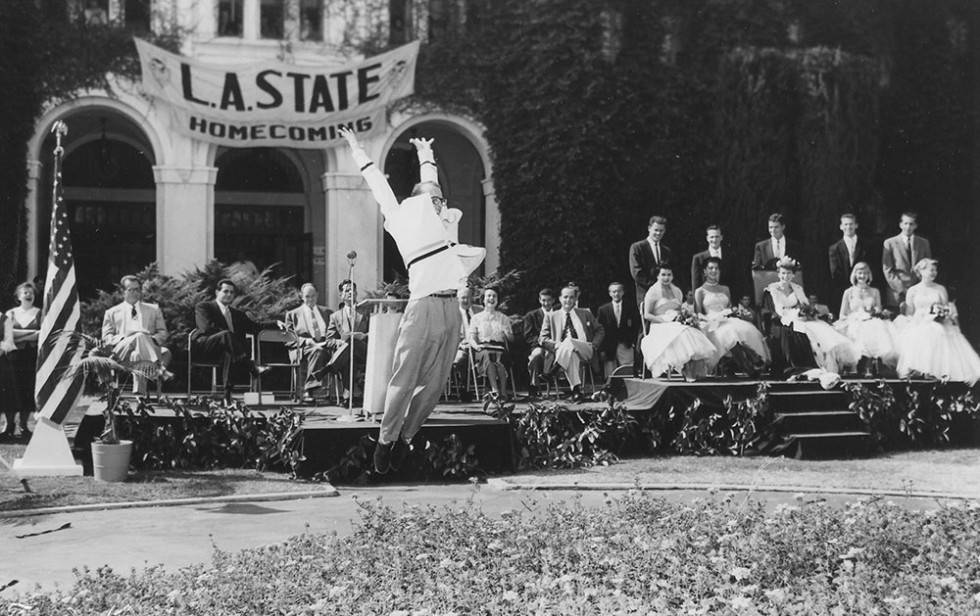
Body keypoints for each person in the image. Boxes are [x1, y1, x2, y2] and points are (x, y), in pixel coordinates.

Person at [340, 126, 485, 475]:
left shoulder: (447, 222)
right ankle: (386, 439)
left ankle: (405, 437)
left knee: (435, 385)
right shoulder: (403, 217)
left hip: (451, 309)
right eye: (431, 199)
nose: (438, 203)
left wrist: (426, 154)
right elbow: (378, 184)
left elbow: (432, 187)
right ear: (418, 202)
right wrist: (357, 148)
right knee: (403, 381)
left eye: (441, 199)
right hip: (421, 307)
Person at [763, 257, 859, 375]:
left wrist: (807, 312)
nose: (785, 276)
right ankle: (811, 364)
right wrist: (791, 317)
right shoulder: (772, 290)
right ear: (778, 274)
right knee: (803, 330)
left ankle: (827, 365)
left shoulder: (797, 288)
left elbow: (805, 305)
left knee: (822, 330)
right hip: (783, 318)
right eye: (783, 273)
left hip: (799, 316)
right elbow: (775, 310)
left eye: (789, 273)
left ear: (793, 275)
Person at [896, 259, 980, 384]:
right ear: (921, 271)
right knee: (920, 333)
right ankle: (919, 369)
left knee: (935, 331)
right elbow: (909, 313)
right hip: (918, 322)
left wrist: (940, 314)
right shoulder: (912, 290)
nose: (934, 273)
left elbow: (946, 308)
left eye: (935, 270)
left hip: (937, 321)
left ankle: (932, 370)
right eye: (931, 270)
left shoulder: (940, 289)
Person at [191, 278, 274, 402]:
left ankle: (227, 395)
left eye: (231, 292)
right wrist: (228, 336)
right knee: (226, 335)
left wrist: (276, 323)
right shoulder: (204, 306)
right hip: (205, 346)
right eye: (225, 291)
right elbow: (206, 328)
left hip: (228, 350)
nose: (229, 295)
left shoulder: (237, 314)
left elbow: (256, 327)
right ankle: (251, 367)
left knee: (228, 351)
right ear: (217, 292)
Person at [694, 257, 770, 377]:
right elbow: (698, 313)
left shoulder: (725, 289)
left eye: (716, 268)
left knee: (745, 330)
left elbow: (730, 306)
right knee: (730, 333)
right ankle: (749, 362)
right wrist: (709, 319)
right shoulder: (700, 291)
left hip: (727, 319)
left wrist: (733, 311)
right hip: (711, 322)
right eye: (710, 268)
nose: (714, 271)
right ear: (704, 271)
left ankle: (750, 361)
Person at [640, 263, 717, 381]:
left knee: (692, 331)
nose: (666, 278)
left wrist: (684, 318)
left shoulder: (677, 291)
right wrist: (664, 322)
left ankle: (695, 370)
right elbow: (647, 314)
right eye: (663, 275)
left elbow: (679, 310)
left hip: (676, 322)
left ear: (673, 276)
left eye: (669, 275)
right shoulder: (653, 292)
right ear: (657, 276)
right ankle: (687, 370)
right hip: (659, 324)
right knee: (682, 333)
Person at [101, 275, 173, 395]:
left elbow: (163, 332)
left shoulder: (153, 309)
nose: (135, 293)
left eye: (137, 289)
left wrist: (150, 339)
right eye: (130, 289)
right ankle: (159, 370)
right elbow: (106, 337)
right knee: (139, 335)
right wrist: (125, 338)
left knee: (137, 352)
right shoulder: (112, 312)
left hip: (143, 351)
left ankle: (140, 393)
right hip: (122, 351)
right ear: (122, 292)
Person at [539, 286, 604, 402]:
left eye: (571, 297)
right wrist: (556, 345)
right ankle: (576, 391)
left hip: (585, 349)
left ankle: (554, 370)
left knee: (569, 341)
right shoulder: (551, 316)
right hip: (563, 351)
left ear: (575, 299)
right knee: (571, 353)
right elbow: (542, 339)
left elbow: (600, 330)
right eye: (565, 297)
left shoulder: (585, 313)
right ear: (559, 299)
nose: (568, 300)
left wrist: (595, 344)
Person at [834, 262, 898, 374]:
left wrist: (874, 311)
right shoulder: (848, 292)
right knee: (856, 330)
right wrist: (851, 319)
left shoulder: (875, 291)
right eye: (860, 273)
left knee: (876, 328)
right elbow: (842, 314)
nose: (862, 276)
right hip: (854, 321)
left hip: (870, 320)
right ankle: (854, 366)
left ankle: (871, 365)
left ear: (869, 275)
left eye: (865, 273)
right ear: (855, 274)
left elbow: (878, 309)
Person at [3, 282, 41, 439]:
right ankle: (8, 425)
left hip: (32, 358)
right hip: (13, 358)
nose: (28, 295)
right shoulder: (10, 313)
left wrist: (19, 334)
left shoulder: (40, 313)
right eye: (24, 292)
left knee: (28, 390)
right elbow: (7, 333)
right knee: (12, 391)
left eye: (30, 292)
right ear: (18, 296)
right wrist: (30, 333)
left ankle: (24, 425)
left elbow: (42, 333)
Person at [284, 283, 333, 398]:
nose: (310, 299)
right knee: (318, 351)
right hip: (301, 348)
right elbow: (288, 339)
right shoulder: (292, 315)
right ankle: (310, 388)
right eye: (307, 296)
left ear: (317, 295)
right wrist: (306, 341)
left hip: (325, 346)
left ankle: (343, 394)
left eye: (313, 296)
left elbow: (333, 333)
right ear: (302, 297)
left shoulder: (328, 313)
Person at [324, 279, 369, 403]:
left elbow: (374, 333)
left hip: (364, 352)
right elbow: (329, 340)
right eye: (347, 290)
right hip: (346, 355)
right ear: (341, 295)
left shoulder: (365, 312)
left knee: (353, 344)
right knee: (350, 357)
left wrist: (365, 336)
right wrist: (339, 342)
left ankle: (331, 366)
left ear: (356, 293)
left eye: (353, 290)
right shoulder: (335, 316)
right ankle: (348, 396)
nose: (350, 293)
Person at [466, 288, 514, 402]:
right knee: (488, 356)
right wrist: (476, 346)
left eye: (494, 296)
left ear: (497, 300)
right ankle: (495, 390)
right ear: (483, 299)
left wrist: (507, 333)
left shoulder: (503, 318)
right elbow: (471, 338)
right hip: (483, 347)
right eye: (489, 296)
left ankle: (502, 390)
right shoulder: (476, 318)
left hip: (499, 347)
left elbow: (511, 340)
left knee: (499, 357)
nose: (491, 299)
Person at [882, 212, 932, 309]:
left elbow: (928, 267)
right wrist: (902, 289)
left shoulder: (923, 243)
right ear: (900, 225)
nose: (908, 227)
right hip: (897, 293)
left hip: (919, 292)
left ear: (915, 226)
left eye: (911, 224)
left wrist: (919, 287)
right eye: (905, 223)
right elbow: (887, 270)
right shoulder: (890, 243)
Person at [828, 213, 872, 313]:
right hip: (842, 290)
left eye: (851, 224)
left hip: (863, 289)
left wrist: (859, 284)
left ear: (856, 225)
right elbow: (835, 271)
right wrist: (850, 288)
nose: (848, 227)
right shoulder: (834, 248)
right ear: (841, 227)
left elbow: (868, 267)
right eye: (846, 224)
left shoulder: (866, 245)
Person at [595, 282, 640, 379]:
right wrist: (602, 349)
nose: (616, 294)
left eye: (619, 291)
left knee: (628, 371)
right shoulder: (603, 310)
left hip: (626, 344)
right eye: (614, 291)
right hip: (609, 345)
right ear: (610, 293)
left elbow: (636, 326)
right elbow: (599, 331)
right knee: (610, 375)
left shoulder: (630, 307)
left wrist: (632, 342)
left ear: (623, 292)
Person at [629, 215, 674, 307]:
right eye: (656, 230)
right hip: (646, 296)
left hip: (665, 298)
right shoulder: (637, 248)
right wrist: (657, 286)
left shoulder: (667, 251)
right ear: (649, 228)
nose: (658, 233)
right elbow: (637, 273)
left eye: (661, 231)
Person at [523, 288, 555, 398]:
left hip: (555, 345)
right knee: (535, 356)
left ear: (553, 300)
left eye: (549, 300)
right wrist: (543, 342)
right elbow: (528, 335)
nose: (546, 303)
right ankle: (534, 385)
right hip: (538, 345)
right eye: (544, 300)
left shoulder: (558, 314)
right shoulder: (531, 316)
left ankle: (571, 388)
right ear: (540, 300)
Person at [452, 287, 482, 402]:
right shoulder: (453, 313)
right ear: (458, 299)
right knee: (458, 360)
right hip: (461, 347)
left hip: (478, 346)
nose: (466, 300)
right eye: (463, 298)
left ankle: (488, 390)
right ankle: (463, 386)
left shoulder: (480, 310)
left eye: (468, 297)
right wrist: (461, 342)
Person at [691, 225, 736, 296]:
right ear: (707, 238)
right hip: (706, 299)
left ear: (721, 237)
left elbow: (735, 280)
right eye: (712, 237)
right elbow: (696, 283)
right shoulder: (699, 258)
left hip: (726, 298)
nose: (714, 240)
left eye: (717, 236)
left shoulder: (731, 257)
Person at [0, 310, 22, 441]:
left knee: (7, 394)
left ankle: (8, 427)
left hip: (1, 359)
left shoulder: (4, 318)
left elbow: (8, 340)